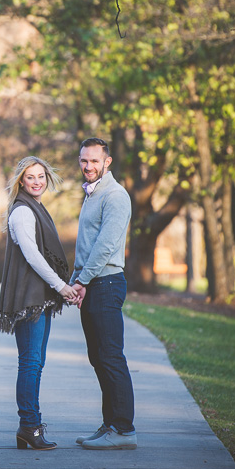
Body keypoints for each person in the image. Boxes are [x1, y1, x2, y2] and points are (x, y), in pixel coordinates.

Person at [0, 156, 80, 450]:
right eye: (30, 177)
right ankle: (30, 426)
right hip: (29, 299)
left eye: (41, 177)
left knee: (35, 363)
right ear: (21, 180)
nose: (37, 182)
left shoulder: (36, 208)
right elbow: (33, 256)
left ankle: (28, 428)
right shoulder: (22, 212)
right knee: (31, 364)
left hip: (37, 299)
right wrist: (62, 287)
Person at [68, 137, 137, 450]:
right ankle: (111, 423)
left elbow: (106, 246)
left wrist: (82, 280)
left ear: (107, 162)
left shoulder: (115, 195)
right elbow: (85, 246)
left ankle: (123, 430)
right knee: (98, 358)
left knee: (110, 357)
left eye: (94, 161)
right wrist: (75, 281)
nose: (88, 166)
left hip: (106, 283)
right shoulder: (92, 194)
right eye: (84, 160)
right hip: (93, 283)